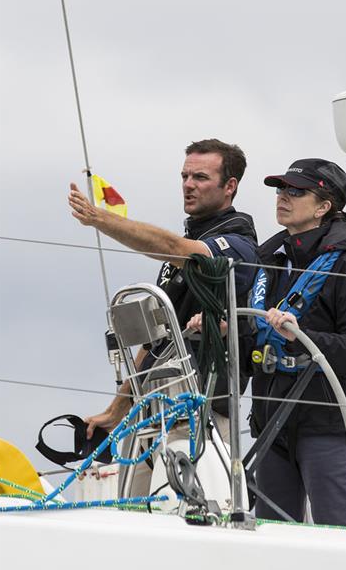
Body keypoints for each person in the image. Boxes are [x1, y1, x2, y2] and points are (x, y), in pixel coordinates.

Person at [68, 138, 257, 440]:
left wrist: (100, 219)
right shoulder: (190, 243)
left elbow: (173, 247)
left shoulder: (238, 243)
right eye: (185, 176)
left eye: (200, 177)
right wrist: (118, 408)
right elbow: (155, 338)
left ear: (230, 186)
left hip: (198, 402)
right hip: (152, 401)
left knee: (187, 488)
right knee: (132, 488)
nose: (188, 185)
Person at [245, 158, 346, 526]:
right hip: (269, 421)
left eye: (295, 191)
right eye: (280, 189)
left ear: (324, 206)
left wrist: (303, 338)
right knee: (273, 538)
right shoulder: (269, 260)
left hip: (324, 420)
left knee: (336, 535)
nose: (282, 197)